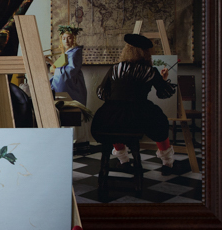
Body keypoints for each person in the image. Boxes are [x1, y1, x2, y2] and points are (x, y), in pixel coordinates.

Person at [91, 33, 178, 172]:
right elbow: (164, 93)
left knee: (114, 120)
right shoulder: (150, 71)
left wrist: (117, 99)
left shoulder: (115, 68)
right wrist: (163, 79)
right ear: (145, 52)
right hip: (139, 116)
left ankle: (123, 160)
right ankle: (167, 163)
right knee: (159, 124)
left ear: (127, 50)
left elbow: (101, 93)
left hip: (112, 115)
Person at [49, 24, 87, 105]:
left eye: (69, 38)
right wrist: (49, 61)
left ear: (74, 38)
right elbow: (60, 66)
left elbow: (71, 70)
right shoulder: (68, 52)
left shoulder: (75, 52)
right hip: (65, 80)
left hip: (72, 84)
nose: (66, 41)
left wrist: (56, 71)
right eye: (63, 38)